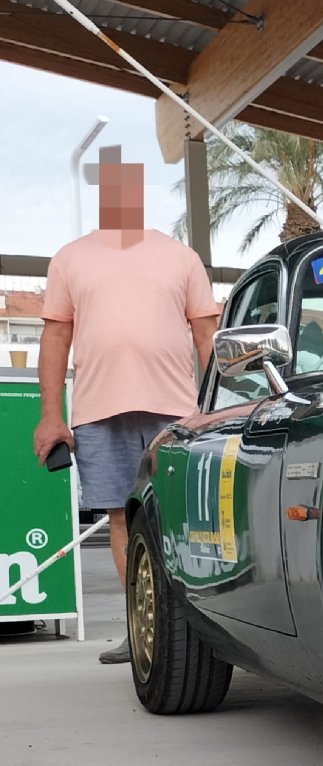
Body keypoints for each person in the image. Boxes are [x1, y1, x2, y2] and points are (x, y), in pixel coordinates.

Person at [31, 147, 220, 664]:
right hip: (97, 410)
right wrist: (51, 415)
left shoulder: (180, 256)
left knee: (183, 520)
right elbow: (54, 340)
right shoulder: (70, 257)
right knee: (122, 517)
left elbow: (208, 336)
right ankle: (146, 631)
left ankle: (200, 633)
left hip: (178, 412)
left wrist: (215, 407)